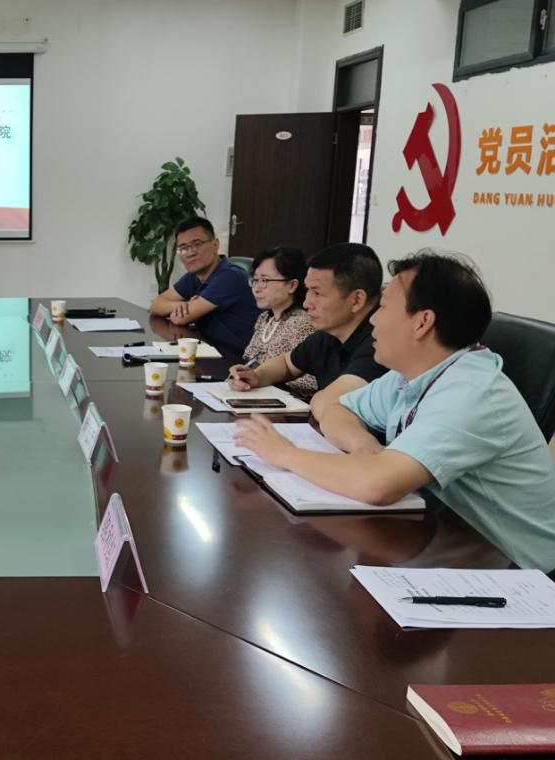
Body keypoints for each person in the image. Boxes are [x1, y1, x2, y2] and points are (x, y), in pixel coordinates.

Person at [235, 250, 555, 573]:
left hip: (519, 571)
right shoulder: (412, 374)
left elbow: (377, 486)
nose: (373, 319)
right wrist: (364, 446)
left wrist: (285, 454)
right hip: (450, 541)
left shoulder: (470, 393)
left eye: (384, 308)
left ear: (422, 322)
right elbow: (334, 408)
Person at [228, 242, 385, 417]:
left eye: (317, 293)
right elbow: (287, 364)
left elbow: (328, 404)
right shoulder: (329, 334)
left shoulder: (380, 342)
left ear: (356, 300)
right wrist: (257, 376)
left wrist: (317, 399)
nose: (306, 303)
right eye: (308, 291)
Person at [148, 216, 259, 353]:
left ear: (215, 245)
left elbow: (179, 318)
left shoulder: (230, 276)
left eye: (197, 244)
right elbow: (155, 305)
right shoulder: (194, 276)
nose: (190, 253)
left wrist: (183, 309)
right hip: (209, 348)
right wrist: (183, 305)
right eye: (183, 248)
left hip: (236, 357)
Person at [241, 246, 317, 396]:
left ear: (292, 285)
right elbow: (249, 360)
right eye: (255, 280)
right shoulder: (265, 318)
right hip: (255, 392)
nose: (256, 288)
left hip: (284, 402)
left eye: (264, 280)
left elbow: (308, 382)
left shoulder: (302, 324)